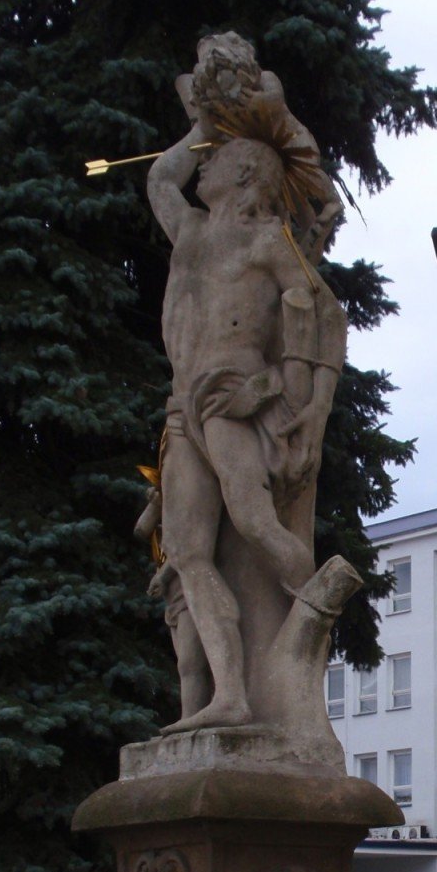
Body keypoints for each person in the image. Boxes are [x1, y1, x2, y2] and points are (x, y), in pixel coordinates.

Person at [146, 101, 346, 732]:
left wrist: (275, 392)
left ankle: (319, 598)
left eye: (214, 160)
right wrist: (204, 128)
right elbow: (158, 180)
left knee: (253, 518)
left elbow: (313, 316)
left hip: (235, 396)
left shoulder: (267, 240)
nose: (200, 169)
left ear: (243, 174)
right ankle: (229, 694)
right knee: (187, 552)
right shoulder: (193, 232)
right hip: (185, 406)